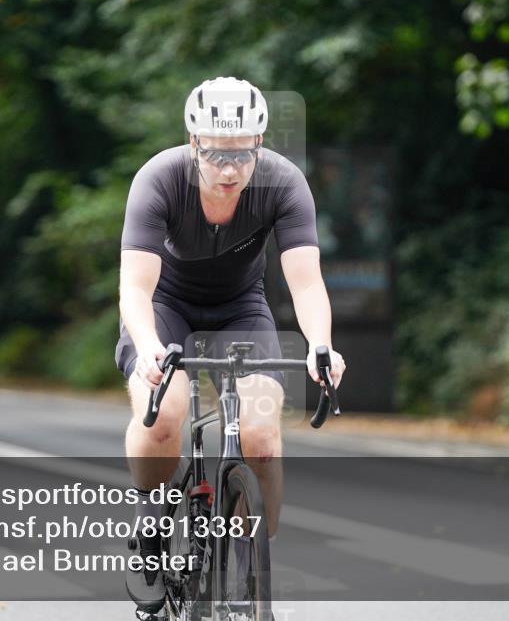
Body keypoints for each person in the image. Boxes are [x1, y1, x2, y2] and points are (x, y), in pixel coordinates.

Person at [116, 76, 346, 620]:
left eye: (242, 154)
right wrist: (148, 348)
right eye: (216, 154)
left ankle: (250, 561)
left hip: (240, 308)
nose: (229, 169)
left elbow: (306, 281)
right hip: (165, 305)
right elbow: (135, 287)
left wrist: (321, 344)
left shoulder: (283, 183)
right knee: (164, 414)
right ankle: (151, 519)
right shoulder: (159, 179)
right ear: (193, 142)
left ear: (260, 144)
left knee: (262, 438)